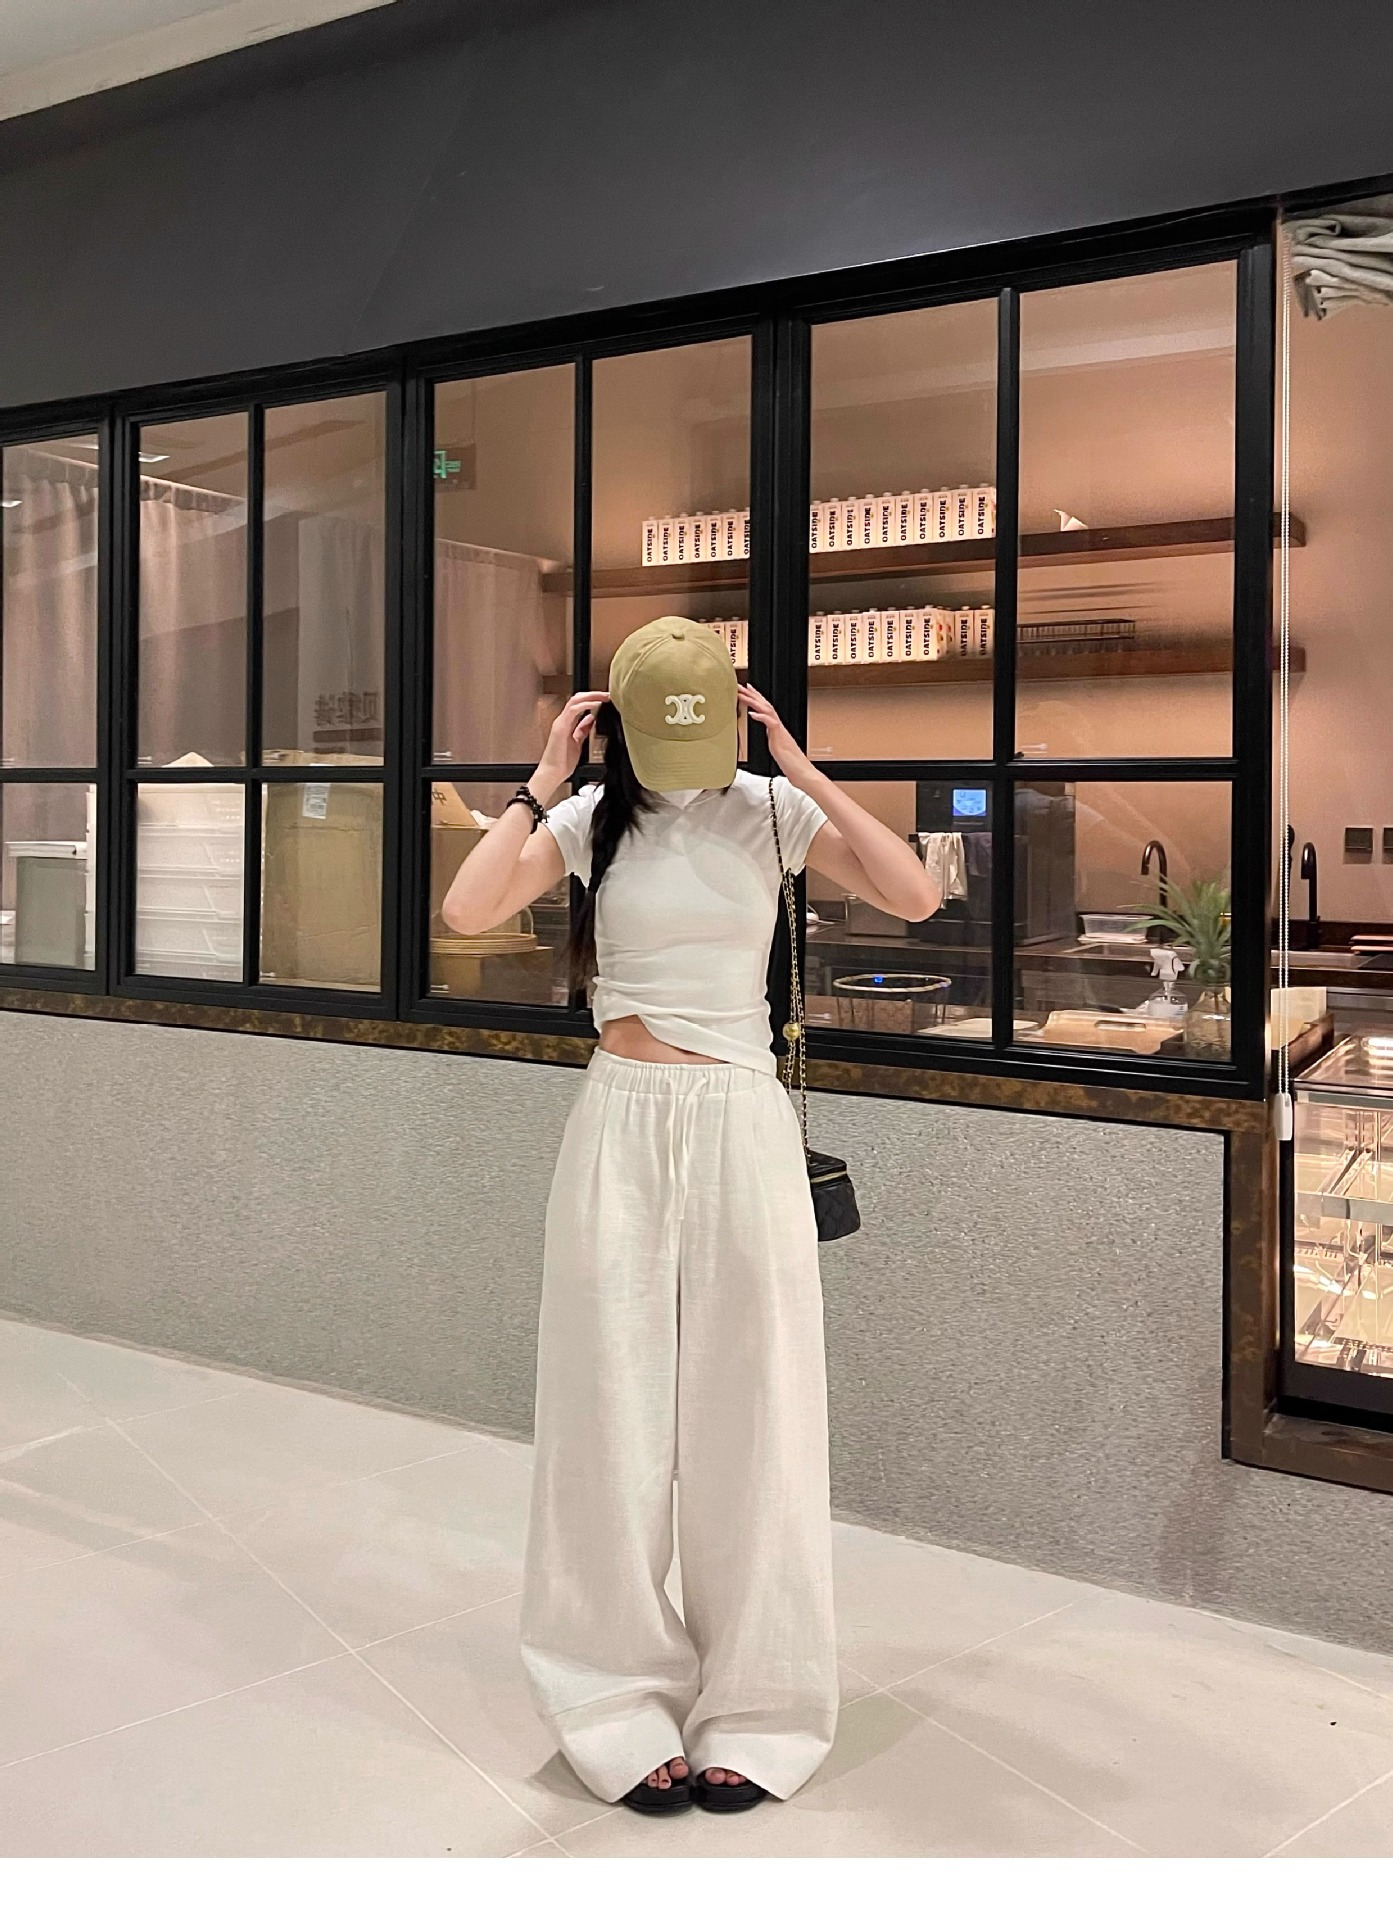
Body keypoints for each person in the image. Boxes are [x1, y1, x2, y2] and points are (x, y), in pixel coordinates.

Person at [442, 616, 940, 1816]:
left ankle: (760, 1706)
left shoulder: (768, 810)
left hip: (739, 1122)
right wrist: (541, 778)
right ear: (618, 725)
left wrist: (803, 765)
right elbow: (466, 907)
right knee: (604, 1417)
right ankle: (610, 1696)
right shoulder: (587, 820)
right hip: (619, 1117)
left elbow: (914, 891)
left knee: (755, 1415)